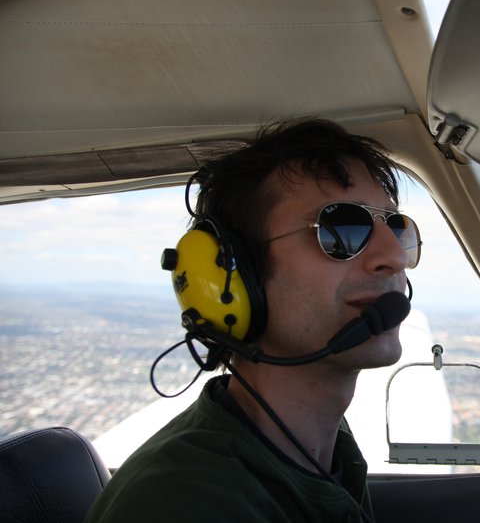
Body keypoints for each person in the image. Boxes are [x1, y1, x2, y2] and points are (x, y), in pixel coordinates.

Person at [85, 118, 422, 523]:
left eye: (396, 227)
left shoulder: (327, 446)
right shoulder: (182, 501)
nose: (395, 256)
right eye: (341, 226)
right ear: (236, 276)